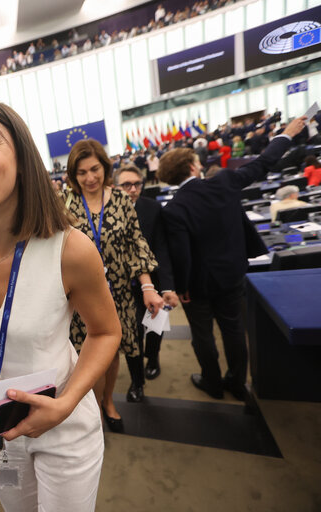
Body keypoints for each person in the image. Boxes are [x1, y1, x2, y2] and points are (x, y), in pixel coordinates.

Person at [0, 99, 121, 511]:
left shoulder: (70, 250)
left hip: (61, 421)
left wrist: (66, 404)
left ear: (21, 157)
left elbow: (106, 332)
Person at [157, 116, 305, 401]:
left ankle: (212, 383)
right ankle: (237, 383)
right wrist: (286, 134)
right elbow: (263, 163)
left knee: (202, 336)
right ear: (192, 167)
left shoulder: (173, 210)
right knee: (235, 331)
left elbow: (182, 254)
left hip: (197, 287)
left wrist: (182, 286)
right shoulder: (224, 181)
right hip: (231, 276)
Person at [65, 139, 164, 431]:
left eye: (94, 169)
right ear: (73, 174)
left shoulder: (121, 200)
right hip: (80, 298)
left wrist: (147, 287)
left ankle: (108, 401)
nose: (90, 177)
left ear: (105, 167)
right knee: (85, 358)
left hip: (118, 295)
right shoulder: (64, 203)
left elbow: (137, 244)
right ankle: (92, 408)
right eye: (82, 172)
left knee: (110, 354)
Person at [114, 166, 179, 382]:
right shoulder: (109, 211)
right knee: (132, 330)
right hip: (123, 283)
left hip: (154, 279)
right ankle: (137, 370)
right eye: (126, 185)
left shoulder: (152, 208)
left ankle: (153, 357)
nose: (133, 189)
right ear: (115, 186)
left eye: (137, 184)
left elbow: (162, 247)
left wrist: (168, 285)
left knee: (155, 325)